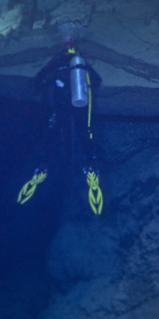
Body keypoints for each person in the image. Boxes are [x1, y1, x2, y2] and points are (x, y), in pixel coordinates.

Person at [17, 37, 104, 215]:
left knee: (52, 131)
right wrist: (87, 86)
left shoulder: (56, 62)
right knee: (84, 132)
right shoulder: (80, 63)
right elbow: (97, 80)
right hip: (78, 105)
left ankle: (42, 163)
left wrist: (39, 89)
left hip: (61, 106)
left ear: (62, 50)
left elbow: (41, 76)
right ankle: (91, 162)